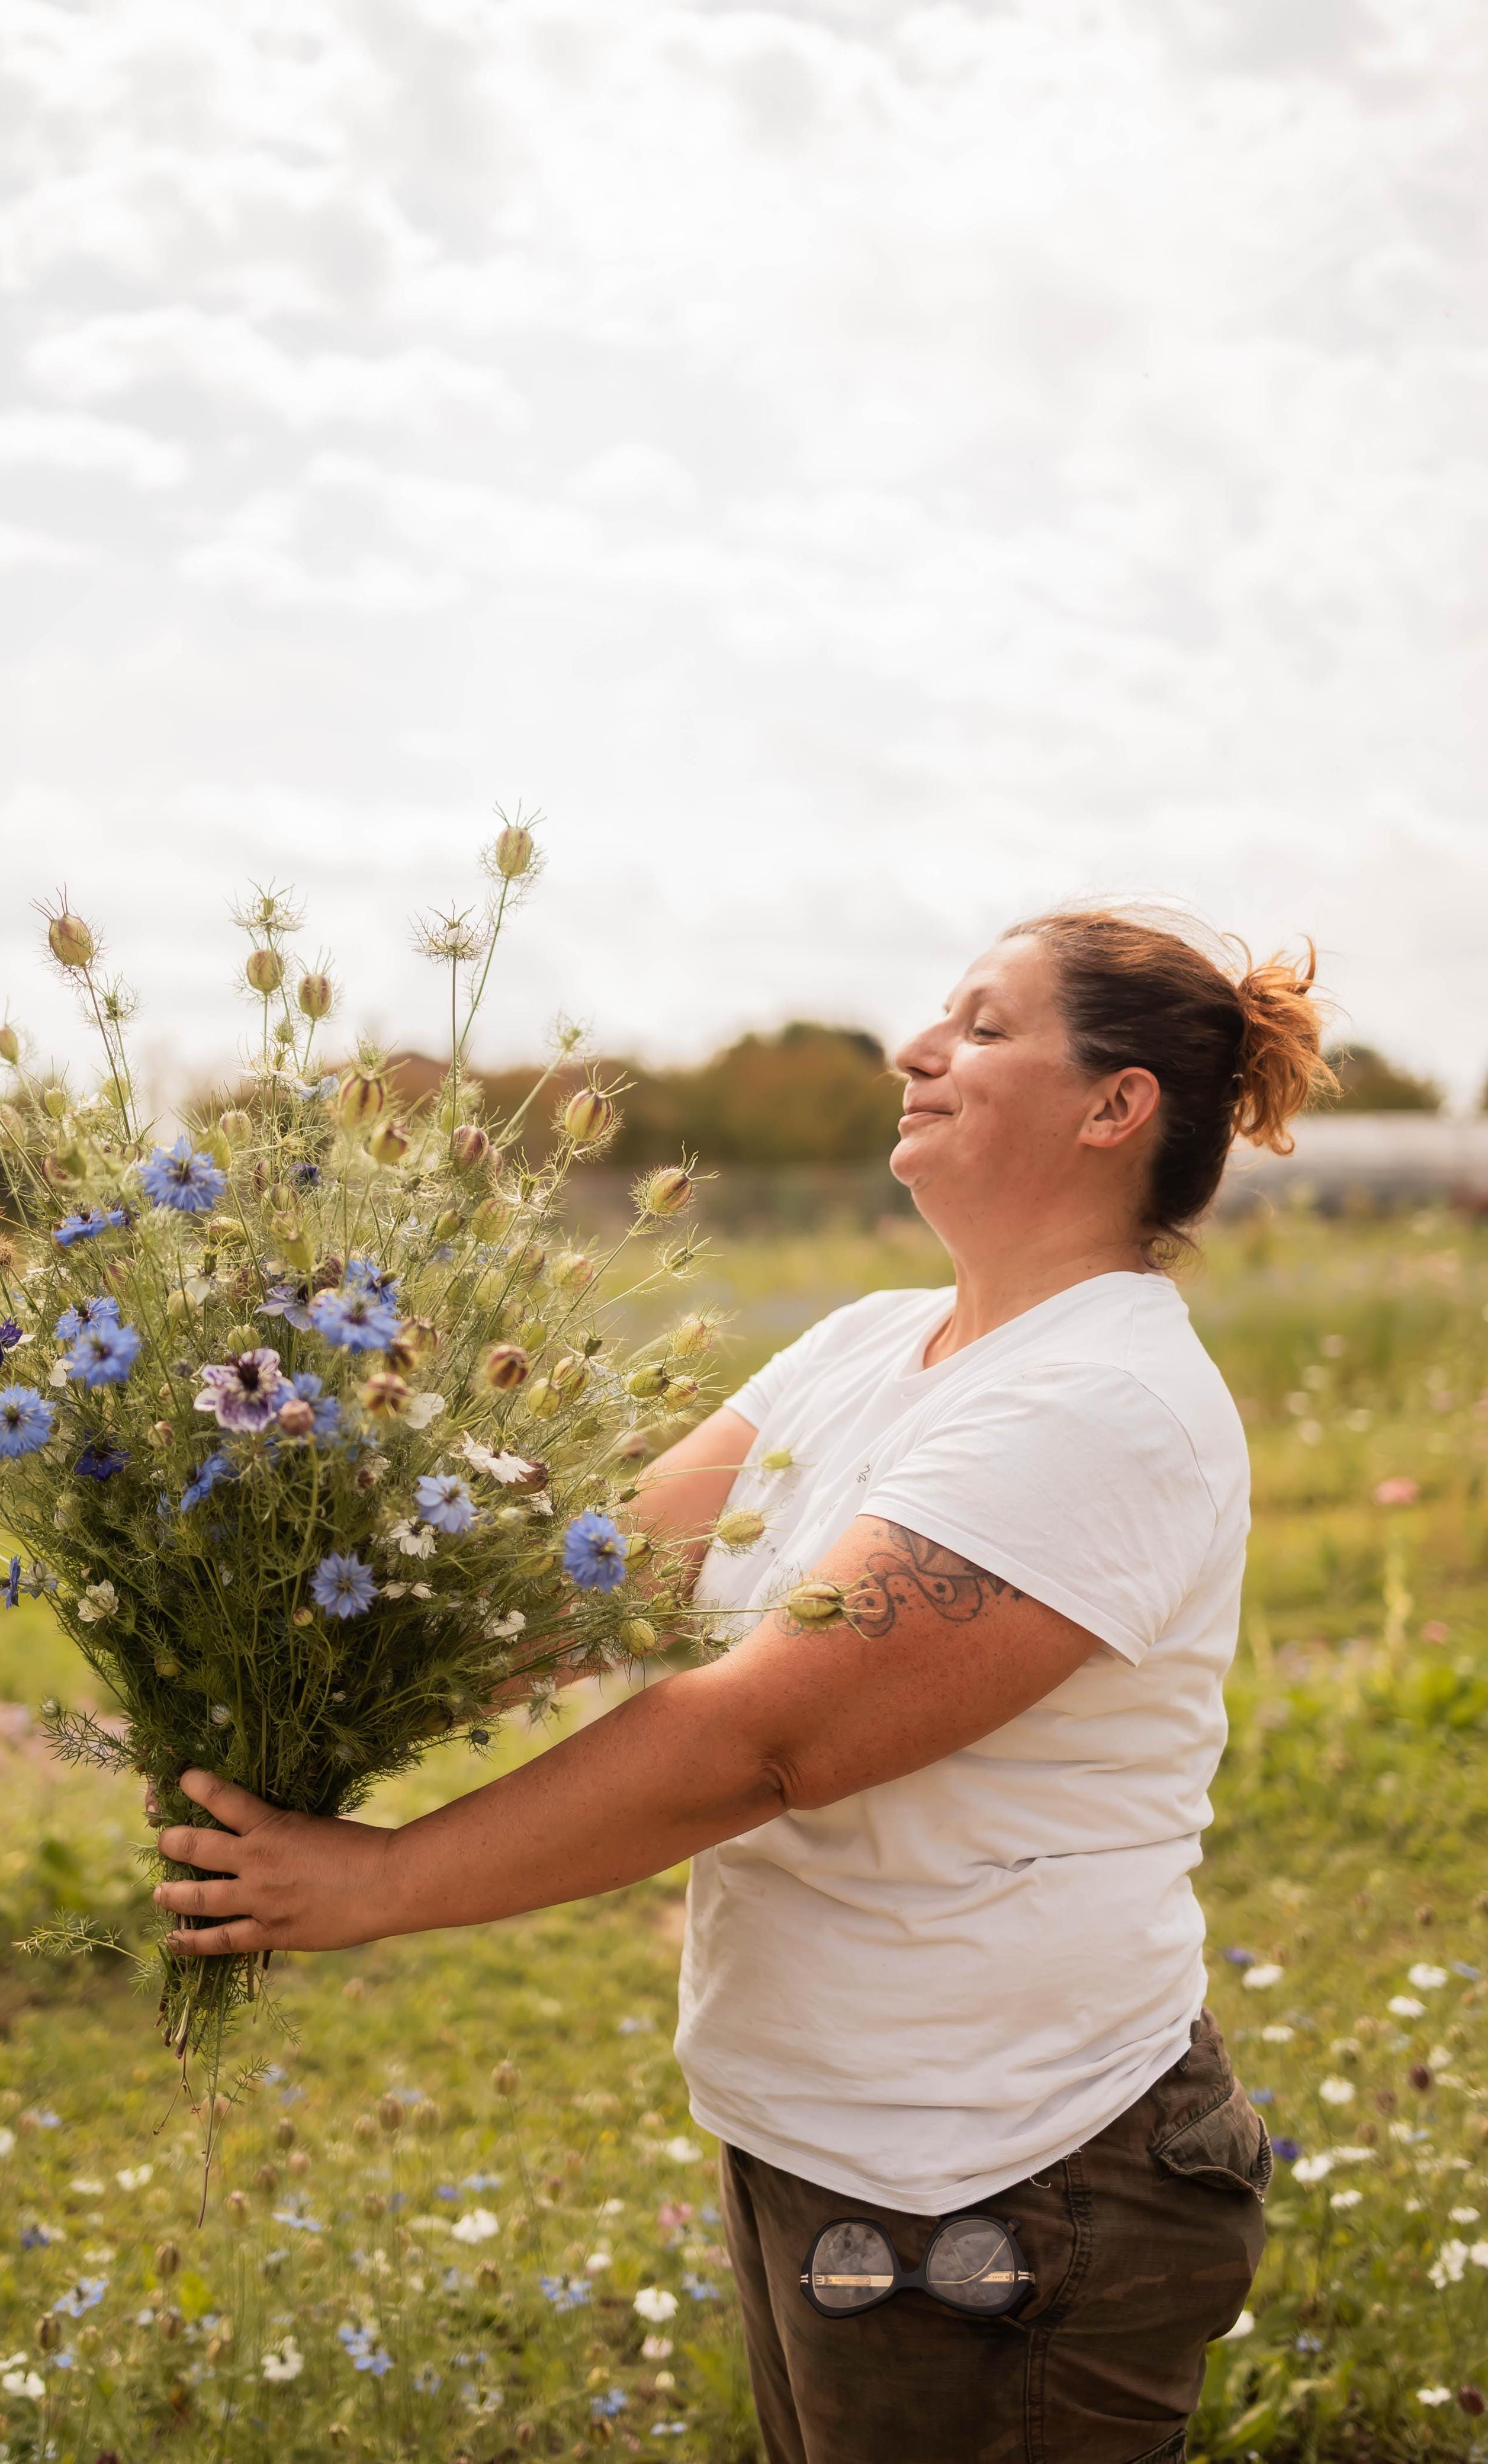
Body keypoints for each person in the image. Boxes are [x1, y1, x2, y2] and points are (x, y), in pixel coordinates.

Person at [153, 906, 1331, 2464]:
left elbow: (764, 1741)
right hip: (827, 2135)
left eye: (984, 1028)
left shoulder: (1099, 1401)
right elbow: (591, 1585)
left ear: (1117, 1106)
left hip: (1011, 2168)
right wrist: (272, 1611)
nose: (916, 1049)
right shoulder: (870, 1346)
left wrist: (379, 1881)